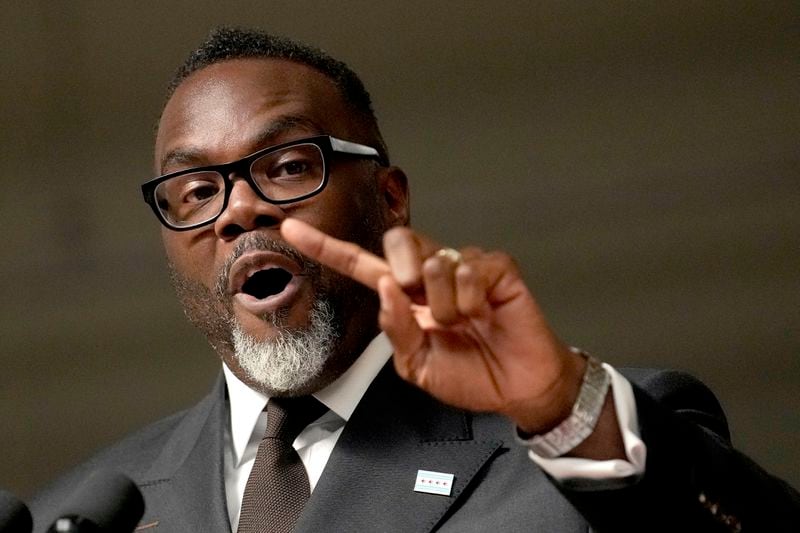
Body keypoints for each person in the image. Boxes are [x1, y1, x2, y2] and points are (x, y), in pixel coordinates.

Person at [31, 27, 799, 532]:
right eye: (196, 190)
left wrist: (562, 404)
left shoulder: (579, 439)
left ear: (389, 199)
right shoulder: (84, 510)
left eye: (290, 165)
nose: (240, 208)